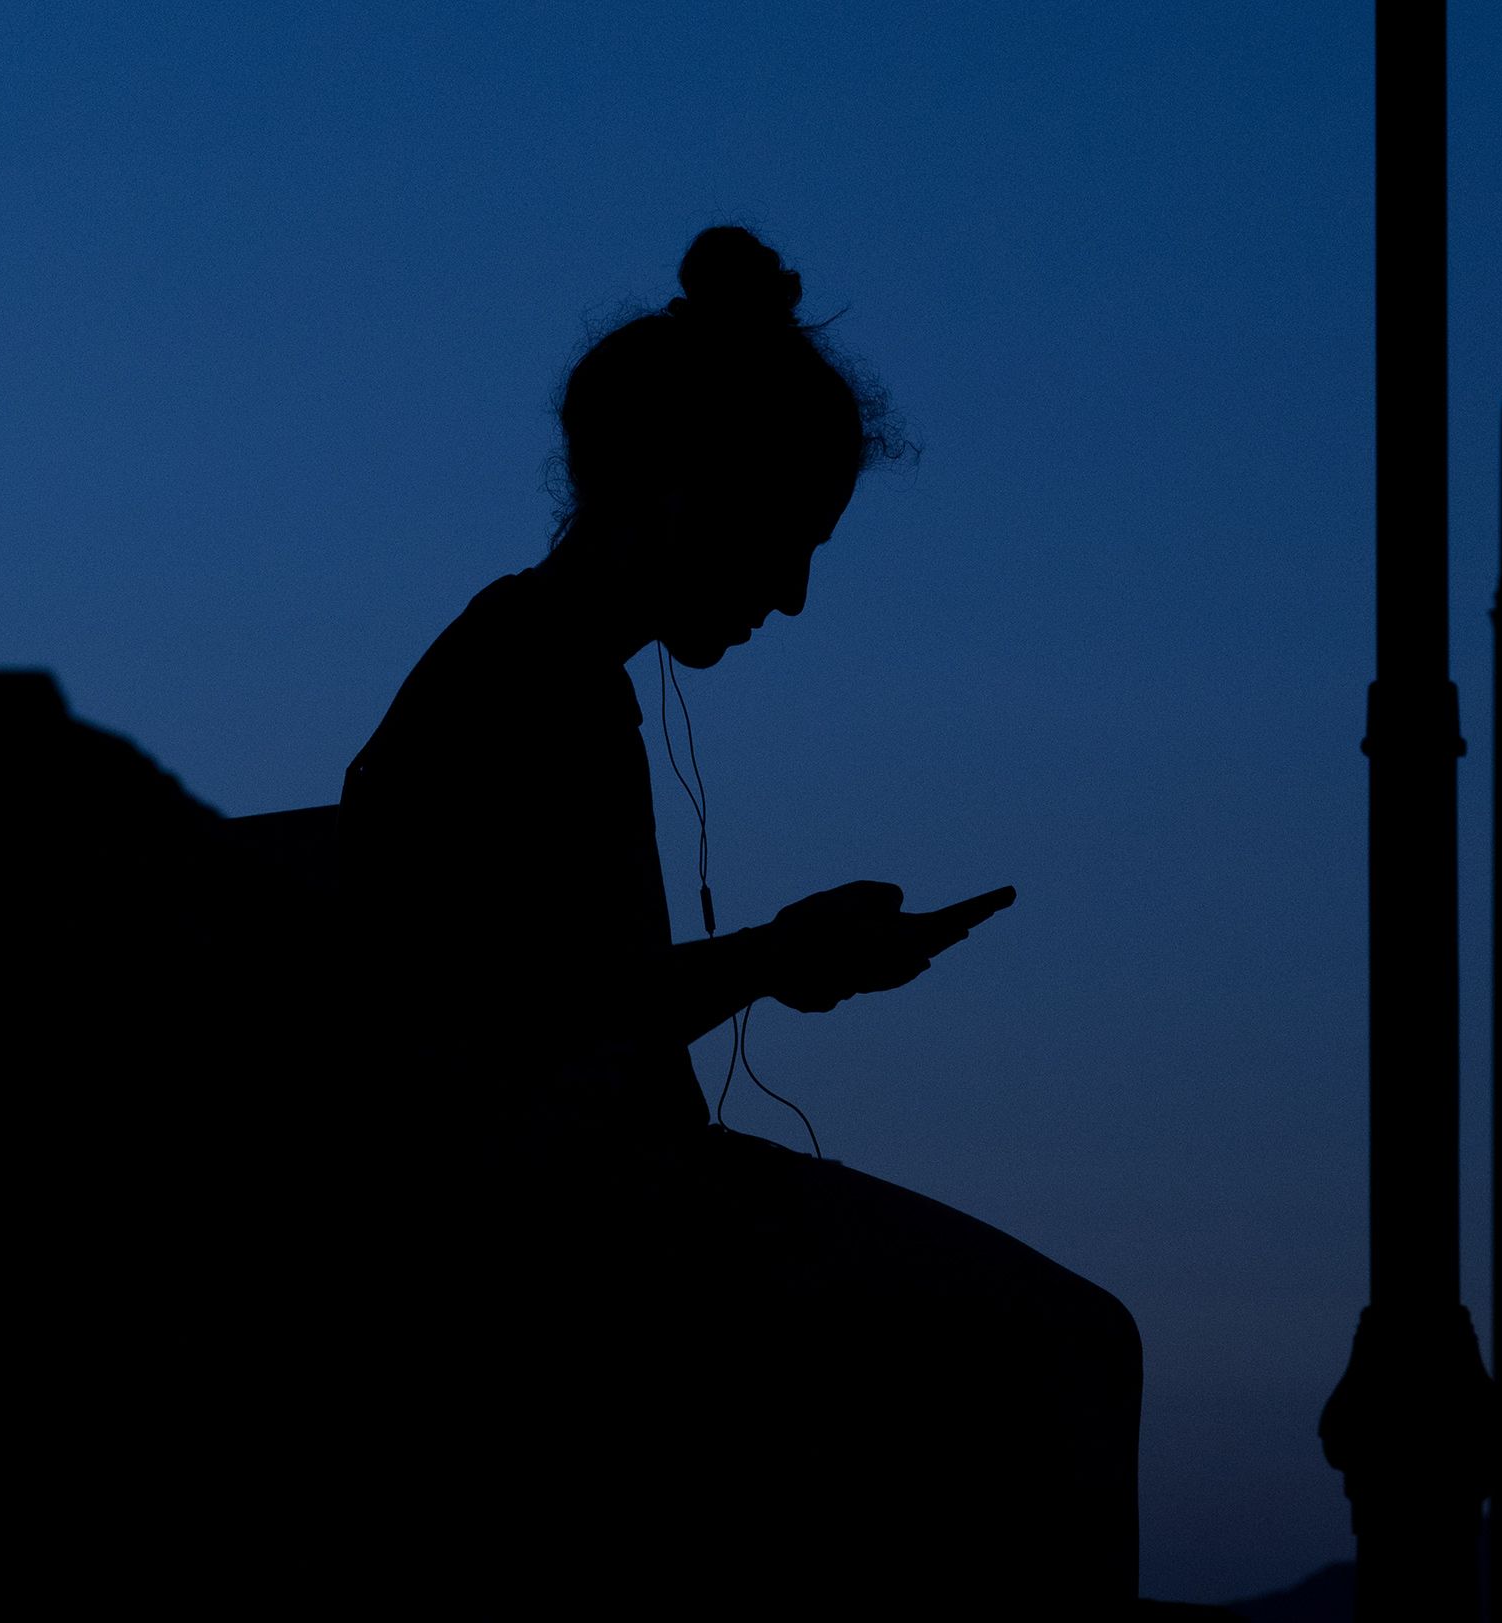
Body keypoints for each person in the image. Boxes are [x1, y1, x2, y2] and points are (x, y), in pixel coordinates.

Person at [333, 226, 1141, 1616]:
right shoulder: (530, 685)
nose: (791, 593)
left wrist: (777, 959)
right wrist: (778, 958)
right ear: (678, 497)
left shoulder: (522, 666)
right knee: (1064, 1344)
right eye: (786, 540)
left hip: (550, 1223)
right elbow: (518, 1013)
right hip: (552, 1242)